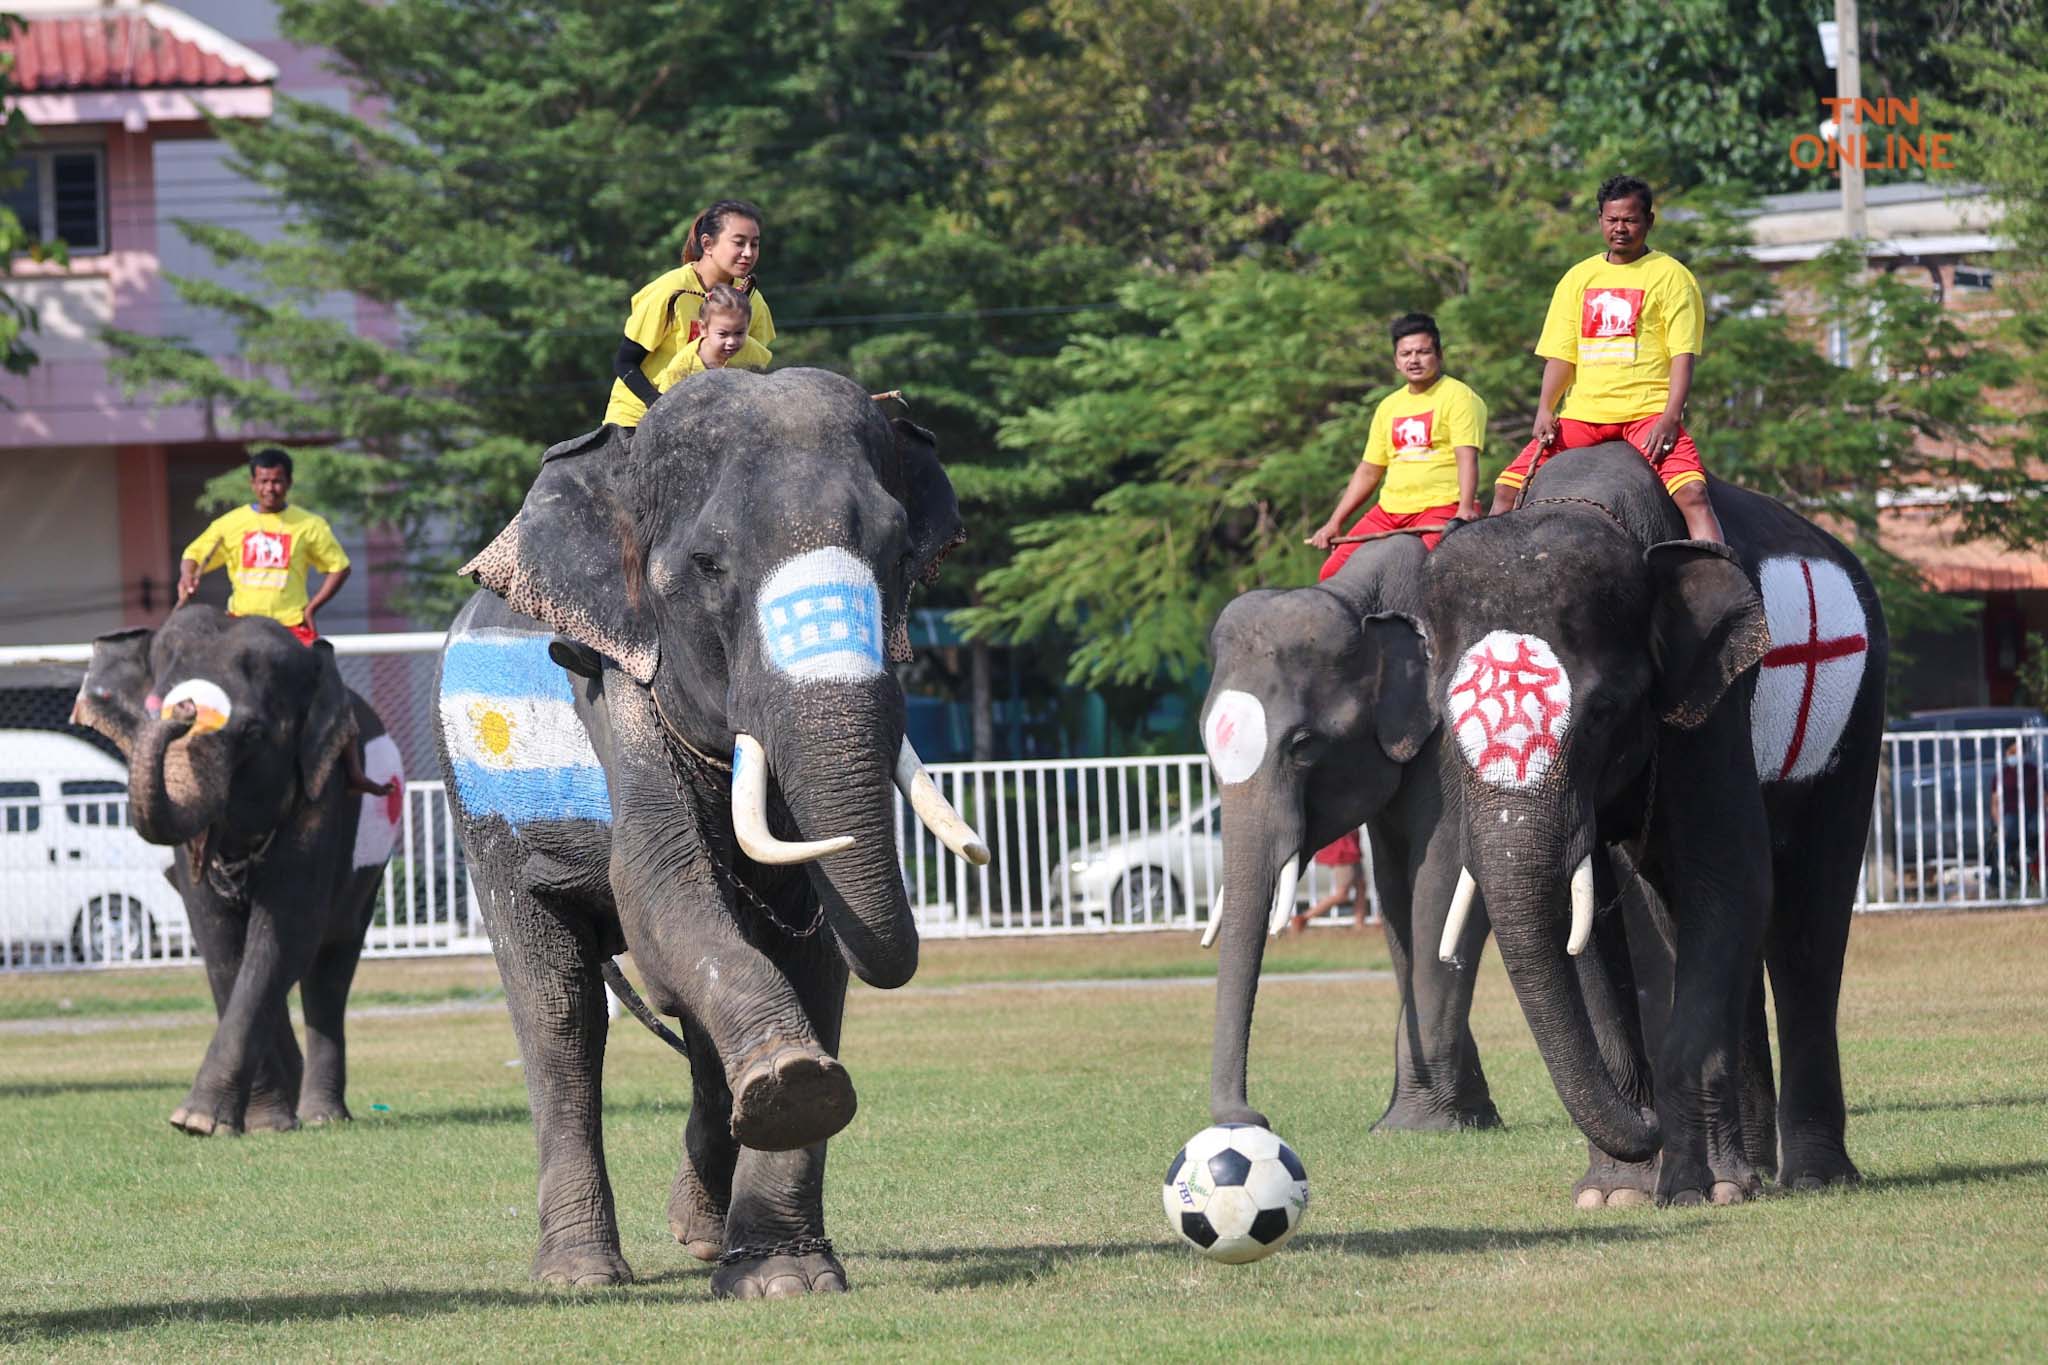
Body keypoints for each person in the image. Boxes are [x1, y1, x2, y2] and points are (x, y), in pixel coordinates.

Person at [1491, 174, 1724, 542]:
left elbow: (1683, 354)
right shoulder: (1578, 277)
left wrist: (1670, 416)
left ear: (1649, 220)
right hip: (1582, 415)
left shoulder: (1671, 276)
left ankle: (1720, 581)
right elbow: (1561, 355)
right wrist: (1545, 409)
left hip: (1646, 413)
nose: (1621, 228)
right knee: (1506, 491)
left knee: (1693, 495)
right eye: (1612, 220)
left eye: (1630, 220)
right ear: (1600, 219)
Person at [177, 448, 392, 798]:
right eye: (263, 481)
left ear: (288, 482)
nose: (270, 488)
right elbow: (194, 554)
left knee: (330, 684)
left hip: (291, 628)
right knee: (201, 685)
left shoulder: (309, 525)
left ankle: (353, 771)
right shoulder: (231, 524)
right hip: (239, 628)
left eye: (277, 481)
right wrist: (187, 577)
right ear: (252, 483)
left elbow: (339, 567)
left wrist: (313, 607)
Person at [1308, 313, 1485, 579]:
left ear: (1439, 354)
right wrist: (1335, 522)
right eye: (1406, 353)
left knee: (1420, 574)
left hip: (1440, 508)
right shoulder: (1389, 405)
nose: (1414, 359)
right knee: (1332, 574)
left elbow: (1466, 458)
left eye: (1423, 352)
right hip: (1389, 512)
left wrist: (1465, 509)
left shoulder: (1459, 397)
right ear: (1396, 361)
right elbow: (1369, 470)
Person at [603, 199, 775, 432]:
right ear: (708, 244)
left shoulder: (752, 300)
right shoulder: (669, 290)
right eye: (739, 243)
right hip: (638, 420)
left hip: (704, 424)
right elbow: (624, 362)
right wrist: (660, 408)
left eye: (754, 244)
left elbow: (754, 370)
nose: (748, 253)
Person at [653, 283, 772, 388]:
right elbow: (666, 402)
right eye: (723, 334)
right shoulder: (683, 365)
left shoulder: (753, 351)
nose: (731, 341)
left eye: (739, 333)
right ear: (703, 328)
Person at [1290, 830, 1373, 932]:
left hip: (1351, 847)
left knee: (1361, 886)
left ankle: (1360, 924)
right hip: (1343, 851)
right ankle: (1304, 917)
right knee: (1342, 893)